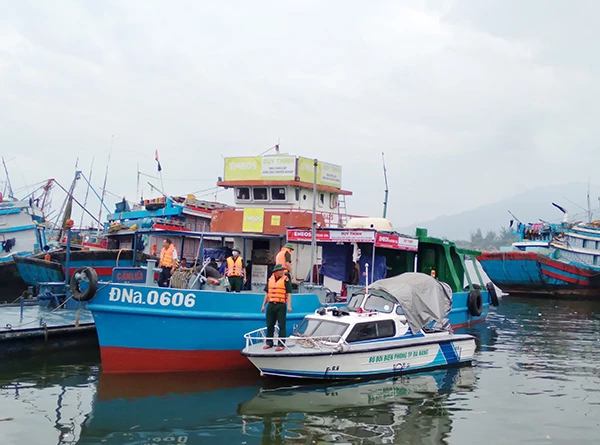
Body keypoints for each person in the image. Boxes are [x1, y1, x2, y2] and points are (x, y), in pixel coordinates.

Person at [261, 264, 292, 351]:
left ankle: (281, 344)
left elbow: (288, 293)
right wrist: (263, 305)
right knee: (270, 324)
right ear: (276, 271)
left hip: (281, 305)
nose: (282, 272)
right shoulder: (270, 279)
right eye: (281, 270)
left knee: (282, 325)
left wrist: (289, 305)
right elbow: (267, 293)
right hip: (271, 305)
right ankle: (269, 343)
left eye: (283, 270)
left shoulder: (286, 280)